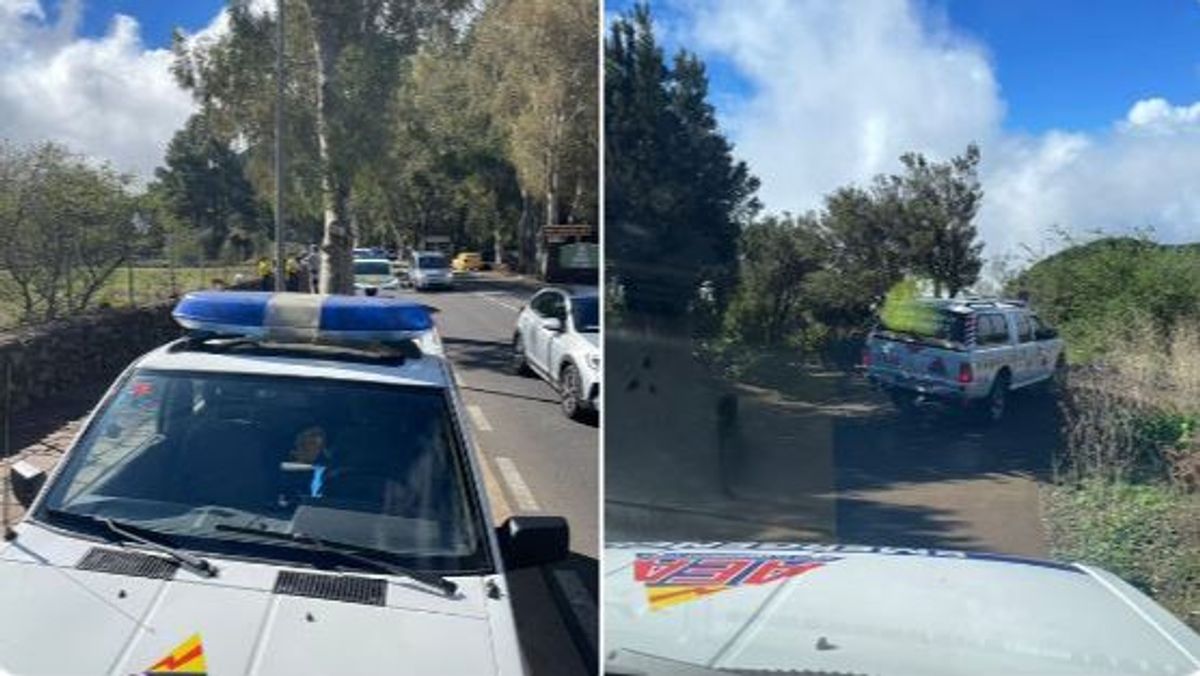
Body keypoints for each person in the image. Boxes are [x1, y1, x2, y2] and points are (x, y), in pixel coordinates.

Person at [288, 426, 333, 498]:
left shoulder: (328, 475)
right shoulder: (281, 472)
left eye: (320, 447)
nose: (315, 450)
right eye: (312, 443)